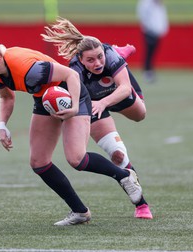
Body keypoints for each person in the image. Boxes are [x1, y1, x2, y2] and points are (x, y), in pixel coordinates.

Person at [0, 11, 144, 226]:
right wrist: (2, 125)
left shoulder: (29, 69)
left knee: (76, 159)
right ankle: (80, 212)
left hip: (72, 93)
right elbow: (6, 97)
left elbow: (71, 75)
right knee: (38, 162)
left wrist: (75, 106)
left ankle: (123, 175)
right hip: (45, 100)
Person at [42, 17, 153, 219]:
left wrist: (103, 103)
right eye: (91, 60)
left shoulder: (109, 56)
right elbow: (73, 103)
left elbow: (125, 88)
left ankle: (121, 52)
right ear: (81, 60)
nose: (98, 63)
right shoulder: (74, 70)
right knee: (118, 154)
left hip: (118, 93)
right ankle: (141, 205)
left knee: (140, 115)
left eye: (99, 57)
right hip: (92, 102)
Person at [137, 0, 169, 83]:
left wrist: (162, 29)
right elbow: (143, 16)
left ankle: (150, 71)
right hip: (149, 31)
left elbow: (161, 17)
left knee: (153, 52)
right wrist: (148, 28)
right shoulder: (146, 3)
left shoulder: (158, 4)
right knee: (149, 52)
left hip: (157, 32)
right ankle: (147, 71)